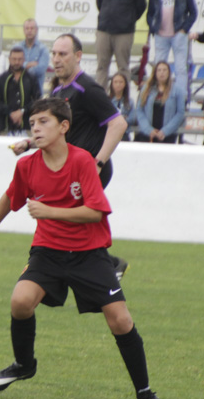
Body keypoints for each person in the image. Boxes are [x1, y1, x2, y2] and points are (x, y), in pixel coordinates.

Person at [0, 96, 170, 399]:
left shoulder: (82, 161)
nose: (36, 129)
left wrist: (48, 211)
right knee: (20, 301)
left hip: (89, 253)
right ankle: (23, 365)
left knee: (120, 320)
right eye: (32, 124)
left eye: (44, 122)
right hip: (47, 252)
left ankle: (146, 394)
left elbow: (95, 212)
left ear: (64, 127)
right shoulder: (26, 164)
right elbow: (9, 197)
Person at [11, 34, 129, 280]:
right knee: (68, 222)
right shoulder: (58, 89)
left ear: (77, 57)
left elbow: (118, 124)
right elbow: (60, 133)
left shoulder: (87, 88)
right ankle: (106, 266)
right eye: (54, 53)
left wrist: (98, 162)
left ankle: (46, 270)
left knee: (61, 217)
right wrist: (30, 143)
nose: (56, 59)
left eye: (63, 54)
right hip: (70, 169)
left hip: (89, 169)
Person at [96, 0, 147, 86]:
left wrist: (128, 19)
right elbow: (99, 3)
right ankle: (99, 99)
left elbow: (141, 6)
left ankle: (122, 101)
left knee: (123, 67)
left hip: (124, 32)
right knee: (101, 66)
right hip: (104, 29)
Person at [146, 0, 198, 81]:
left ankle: (181, 97)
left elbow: (193, 13)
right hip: (161, 35)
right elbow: (150, 14)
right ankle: (159, 94)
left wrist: (184, 30)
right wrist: (154, 29)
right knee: (159, 68)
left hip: (178, 34)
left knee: (180, 68)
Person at [134, 61, 187, 144]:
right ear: (155, 73)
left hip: (168, 135)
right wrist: (148, 129)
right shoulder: (146, 89)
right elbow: (139, 110)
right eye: (159, 70)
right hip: (148, 134)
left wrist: (165, 131)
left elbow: (180, 112)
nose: (162, 73)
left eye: (164, 70)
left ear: (169, 72)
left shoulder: (177, 90)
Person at [0, 47, 41, 137]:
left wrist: (22, 111)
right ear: (9, 59)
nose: (17, 62)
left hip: (27, 127)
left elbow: (37, 99)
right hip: (5, 127)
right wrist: (10, 112)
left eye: (19, 59)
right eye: (14, 59)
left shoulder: (31, 78)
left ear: (24, 60)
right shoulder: (1, 79)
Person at [21, 19, 49, 94]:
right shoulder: (17, 48)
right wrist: (30, 64)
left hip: (36, 93)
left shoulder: (43, 49)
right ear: (23, 30)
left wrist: (23, 67)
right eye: (27, 28)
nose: (29, 31)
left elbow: (41, 69)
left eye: (32, 28)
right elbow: (13, 66)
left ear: (36, 30)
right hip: (19, 92)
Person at [109, 73, 137, 142]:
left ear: (125, 84)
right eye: (115, 82)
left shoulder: (130, 101)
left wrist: (117, 120)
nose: (118, 84)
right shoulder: (108, 101)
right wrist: (122, 118)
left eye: (121, 82)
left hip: (125, 134)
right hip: (110, 134)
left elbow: (132, 118)